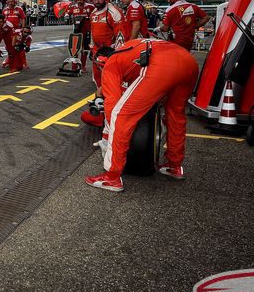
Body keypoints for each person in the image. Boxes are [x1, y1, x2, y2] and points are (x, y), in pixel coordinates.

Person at [85, 38, 200, 192]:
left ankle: (112, 177)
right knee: (175, 115)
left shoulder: (111, 64)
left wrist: (107, 137)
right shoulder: (129, 52)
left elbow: (113, 106)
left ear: (100, 62)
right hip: (188, 62)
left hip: (161, 62)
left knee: (120, 115)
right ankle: (174, 166)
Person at [88, 0, 123, 95]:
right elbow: (93, 32)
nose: (97, 1)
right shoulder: (93, 13)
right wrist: (91, 48)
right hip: (96, 50)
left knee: (110, 79)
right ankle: (102, 99)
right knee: (97, 77)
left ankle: (110, 99)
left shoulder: (114, 12)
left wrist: (117, 54)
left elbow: (121, 37)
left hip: (110, 51)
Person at [67, 0, 94, 70]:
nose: (79, 1)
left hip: (87, 32)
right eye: (78, 0)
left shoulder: (90, 6)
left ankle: (83, 66)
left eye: (81, 0)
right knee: (74, 49)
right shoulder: (72, 7)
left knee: (85, 50)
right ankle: (74, 67)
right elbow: (66, 14)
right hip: (76, 32)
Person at [2, 0, 30, 69]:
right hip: (8, 31)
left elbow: (23, 18)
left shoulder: (19, 9)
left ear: (15, 2)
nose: (11, 3)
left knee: (19, 47)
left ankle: (24, 62)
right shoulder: (5, 10)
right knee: (9, 48)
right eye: (10, 1)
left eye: (12, 1)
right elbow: (2, 20)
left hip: (17, 30)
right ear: (7, 2)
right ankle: (9, 61)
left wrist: (23, 28)